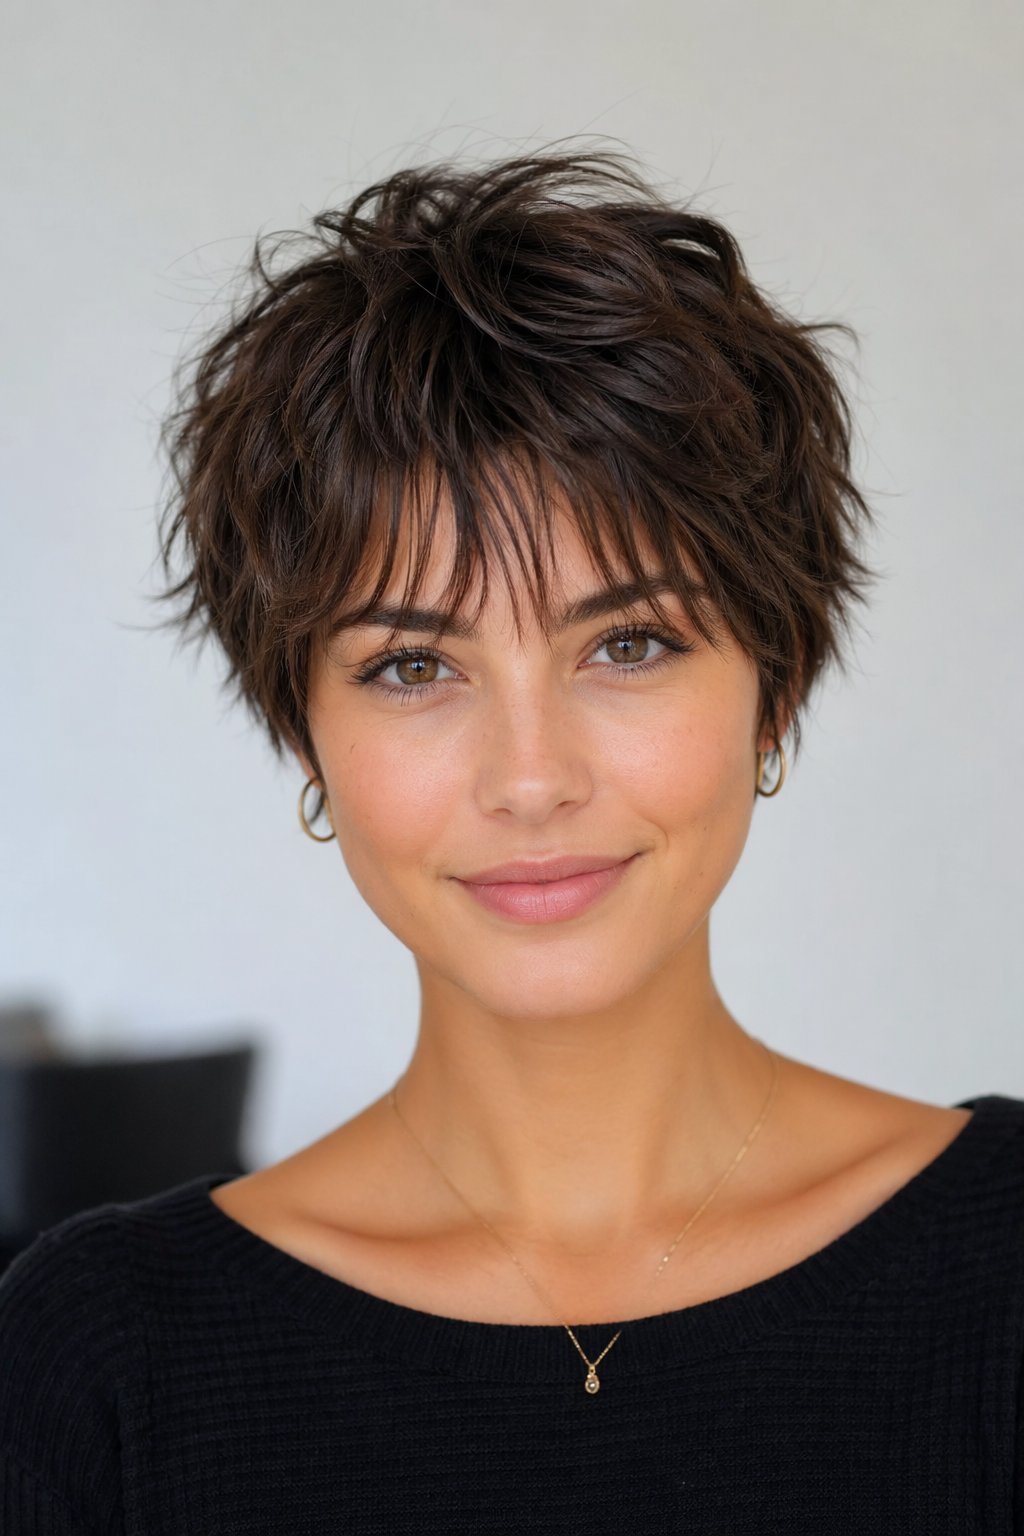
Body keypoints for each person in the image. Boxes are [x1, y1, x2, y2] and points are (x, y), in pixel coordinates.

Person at [2, 142, 1022, 1534]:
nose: (530, 778)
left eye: (630, 643)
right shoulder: (96, 1359)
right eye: (414, 666)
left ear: (772, 688)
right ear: (306, 736)